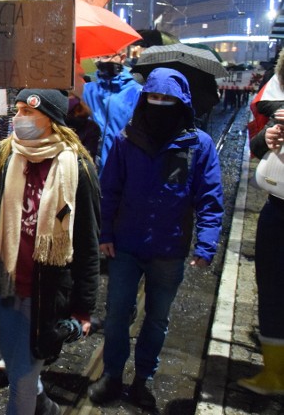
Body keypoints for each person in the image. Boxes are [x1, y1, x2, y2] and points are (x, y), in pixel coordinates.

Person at [0, 79, 101, 415]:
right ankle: (46, 406)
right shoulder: (8, 153)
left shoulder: (78, 168)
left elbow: (88, 242)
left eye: (29, 112)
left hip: (47, 294)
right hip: (7, 284)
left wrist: (83, 309)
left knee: (21, 383)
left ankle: (34, 404)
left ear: (51, 119)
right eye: (18, 111)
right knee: (17, 365)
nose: (19, 119)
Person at [88, 68, 224, 410]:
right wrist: (105, 233)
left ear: (182, 103)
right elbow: (110, 191)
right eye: (154, 97)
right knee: (118, 314)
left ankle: (143, 379)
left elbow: (210, 198)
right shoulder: (125, 139)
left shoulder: (198, 145)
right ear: (144, 98)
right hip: (126, 245)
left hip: (170, 249)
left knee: (158, 318)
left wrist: (206, 245)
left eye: (168, 99)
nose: (159, 104)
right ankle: (113, 375)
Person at [241, 63, 284, 395]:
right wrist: (267, 135)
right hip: (276, 208)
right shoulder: (277, 98)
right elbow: (256, 148)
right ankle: (273, 373)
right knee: (270, 290)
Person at [83, 51, 142, 172]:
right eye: (97, 57)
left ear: (122, 58)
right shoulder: (87, 90)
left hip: (121, 165)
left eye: (106, 56)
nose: (101, 61)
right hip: (90, 165)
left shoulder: (136, 92)